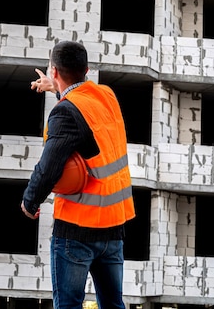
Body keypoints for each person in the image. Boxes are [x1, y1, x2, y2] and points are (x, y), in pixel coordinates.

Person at [21, 41, 135, 309]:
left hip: (76, 229)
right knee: (113, 305)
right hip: (113, 227)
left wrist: (30, 202)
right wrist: (59, 90)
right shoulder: (107, 95)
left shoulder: (64, 113)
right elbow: (85, 113)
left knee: (69, 305)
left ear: (54, 71)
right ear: (86, 69)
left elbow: (48, 167)